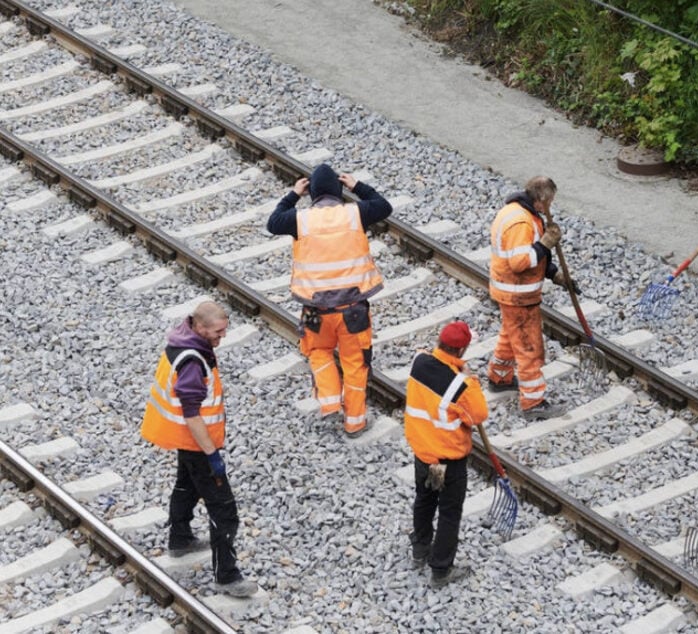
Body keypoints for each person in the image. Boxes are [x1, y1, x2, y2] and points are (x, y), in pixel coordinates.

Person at [140, 301, 257, 598]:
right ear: (200, 327)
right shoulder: (193, 361)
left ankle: (180, 539)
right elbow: (192, 412)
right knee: (224, 509)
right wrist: (212, 455)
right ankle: (227, 576)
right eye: (217, 331)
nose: (222, 336)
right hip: (196, 441)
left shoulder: (185, 343)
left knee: (187, 486)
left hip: (185, 438)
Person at [267, 163, 392, 437]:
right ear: (339, 190)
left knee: (318, 351)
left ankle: (330, 401)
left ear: (311, 193)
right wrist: (357, 186)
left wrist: (292, 195)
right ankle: (355, 422)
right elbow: (384, 206)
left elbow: (273, 223)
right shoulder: (354, 213)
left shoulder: (301, 220)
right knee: (354, 364)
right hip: (354, 310)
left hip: (315, 310)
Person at [404, 321, 489, 588]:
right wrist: (469, 377)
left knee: (424, 500)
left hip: (422, 453)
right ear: (461, 350)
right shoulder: (461, 386)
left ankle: (420, 548)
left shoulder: (419, 362)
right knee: (450, 512)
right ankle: (441, 570)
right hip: (449, 461)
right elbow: (479, 415)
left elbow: (427, 355)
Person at [487, 176, 574, 420]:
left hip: (510, 293)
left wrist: (554, 274)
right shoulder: (521, 223)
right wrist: (546, 244)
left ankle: (500, 377)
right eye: (550, 203)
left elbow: (529, 255)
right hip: (518, 295)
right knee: (529, 347)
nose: (551, 208)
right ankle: (533, 402)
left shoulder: (515, 211)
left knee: (510, 335)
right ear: (541, 201)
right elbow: (520, 263)